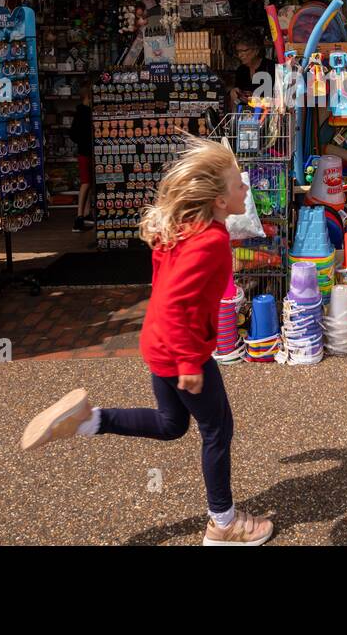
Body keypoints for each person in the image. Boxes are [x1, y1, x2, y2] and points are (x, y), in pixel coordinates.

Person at [20, 137, 274, 547]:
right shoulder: (210, 242)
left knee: (172, 425)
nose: (246, 188)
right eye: (238, 185)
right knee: (217, 429)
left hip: (158, 342)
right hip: (179, 349)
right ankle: (223, 524)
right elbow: (179, 303)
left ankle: (87, 420)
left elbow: (163, 287)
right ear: (219, 200)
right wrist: (190, 363)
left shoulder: (185, 229)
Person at [230, 30, 276, 108]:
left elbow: (279, 101)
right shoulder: (241, 71)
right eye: (238, 51)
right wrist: (234, 96)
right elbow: (237, 103)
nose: (240, 55)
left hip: (267, 116)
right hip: (246, 117)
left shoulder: (271, 67)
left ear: (256, 50)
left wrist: (255, 100)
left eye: (244, 51)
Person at [71, 84, 93, 232]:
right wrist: (84, 142)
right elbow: (75, 133)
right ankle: (79, 218)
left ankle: (86, 214)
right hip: (86, 152)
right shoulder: (85, 113)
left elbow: (72, 134)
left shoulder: (81, 112)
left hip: (84, 151)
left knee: (89, 183)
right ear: (89, 97)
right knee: (85, 183)